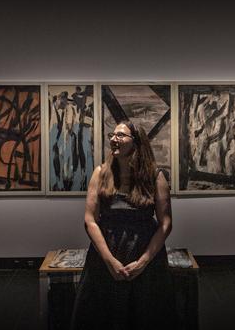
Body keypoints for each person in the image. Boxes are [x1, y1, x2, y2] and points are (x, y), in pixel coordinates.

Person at [70, 120, 176, 330]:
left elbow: (166, 223)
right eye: (113, 135)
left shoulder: (155, 177)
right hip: (106, 255)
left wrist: (143, 262)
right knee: (104, 314)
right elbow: (90, 220)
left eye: (120, 135)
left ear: (136, 142)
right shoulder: (100, 174)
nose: (113, 139)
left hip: (145, 256)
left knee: (145, 314)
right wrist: (110, 261)